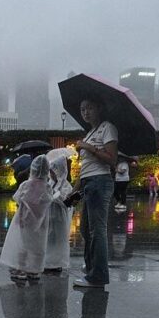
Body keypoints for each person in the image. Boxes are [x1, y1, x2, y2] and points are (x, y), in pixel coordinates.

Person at [72, 96, 118, 288]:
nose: (86, 112)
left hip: (100, 182)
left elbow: (112, 159)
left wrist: (87, 147)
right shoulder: (91, 132)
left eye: (90, 108)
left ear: (99, 108)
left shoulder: (108, 128)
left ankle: (97, 276)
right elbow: (86, 167)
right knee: (85, 229)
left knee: (97, 230)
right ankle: (92, 268)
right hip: (89, 183)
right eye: (83, 109)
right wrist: (74, 190)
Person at [0, 155, 52, 281]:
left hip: (24, 220)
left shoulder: (26, 185)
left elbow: (17, 198)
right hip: (41, 221)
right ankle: (34, 270)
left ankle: (20, 269)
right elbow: (49, 200)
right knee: (37, 245)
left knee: (23, 245)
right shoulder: (47, 186)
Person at [44, 154, 74, 273]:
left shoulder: (66, 185)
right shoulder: (50, 183)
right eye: (50, 171)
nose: (51, 174)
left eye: (53, 171)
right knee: (48, 239)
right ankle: (47, 261)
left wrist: (55, 195)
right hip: (49, 216)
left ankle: (56, 262)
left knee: (58, 239)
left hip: (59, 217)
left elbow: (66, 201)